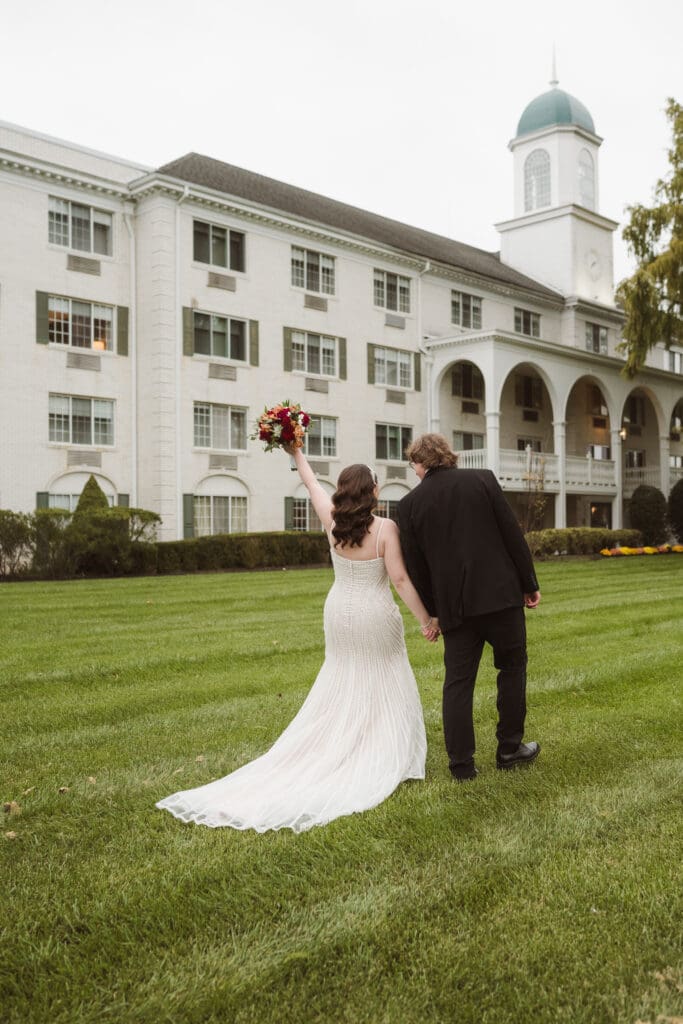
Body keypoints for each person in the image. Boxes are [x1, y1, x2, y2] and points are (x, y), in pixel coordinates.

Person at [156, 448, 437, 833]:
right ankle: (377, 749)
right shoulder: (386, 529)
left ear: (343, 492)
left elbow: (308, 481)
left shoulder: (330, 520)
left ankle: (342, 741)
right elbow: (401, 581)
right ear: (373, 491)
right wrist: (427, 620)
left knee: (343, 674)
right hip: (374, 612)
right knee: (383, 673)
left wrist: (297, 450)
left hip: (338, 611)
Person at [397, 433, 541, 782]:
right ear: (448, 456)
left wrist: (435, 611)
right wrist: (529, 584)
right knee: (512, 669)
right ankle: (509, 750)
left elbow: (416, 568)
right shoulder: (482, 479)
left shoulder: (409, 505)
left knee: (458, 684)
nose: (413, 472)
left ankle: (461, 766)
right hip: (501, 597)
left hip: (454, 609)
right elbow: (512, 534)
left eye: (413, 464)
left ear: (420, 463)